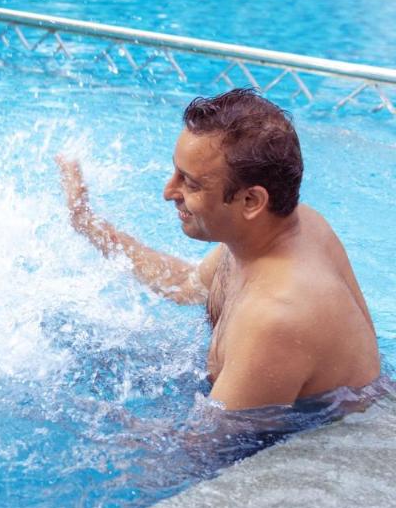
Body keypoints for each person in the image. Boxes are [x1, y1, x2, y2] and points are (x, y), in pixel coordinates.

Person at [57, 88, 380, 411]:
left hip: (327, 436)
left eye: (191, 183)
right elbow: (183, 285)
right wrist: (88, 223)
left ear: (251, 201)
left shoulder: (276, 318)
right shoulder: (268, 235)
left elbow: (208, 439)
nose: (168, 192)